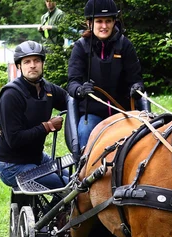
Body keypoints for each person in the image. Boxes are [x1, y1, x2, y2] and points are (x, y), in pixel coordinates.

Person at [67, 0, 147, 149]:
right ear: (89, 23)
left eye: (108, 21)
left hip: (123, 113)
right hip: (92, 114)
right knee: (85, 133)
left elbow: (136, 80)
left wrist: (137, 87)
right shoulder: (80, 47)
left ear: (114, 22)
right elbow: (72, 83)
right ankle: (84, 170)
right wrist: (80, 90)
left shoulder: (125, 45)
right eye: (99, 21)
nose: (104, 26)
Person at [0, 40, 70, 190]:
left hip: (36, 157)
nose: (32, 65)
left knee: (77, 179)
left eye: (37, 60)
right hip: (12, 165)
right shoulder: (11, 95)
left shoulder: (47, 89)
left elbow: (71, 101)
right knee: (65, 186)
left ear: (42, 64)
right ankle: (59, 213)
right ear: (19, 66)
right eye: (27, 61)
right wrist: (47, 126)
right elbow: (14, 139)